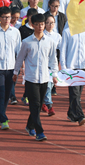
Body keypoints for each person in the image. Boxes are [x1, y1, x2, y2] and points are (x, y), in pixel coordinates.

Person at [13, 13, 58, 141]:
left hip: (44, 78)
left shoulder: (50, 42)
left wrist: (54, 74)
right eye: (37, 24)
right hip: (31, 78)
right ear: (32, 25)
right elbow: (20, 58)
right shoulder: (26, 42)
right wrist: (16, 73)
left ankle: (29, 125)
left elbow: (53, 59)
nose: (40, 27)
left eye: (42, 24)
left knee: (38, 106)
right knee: (35, 104)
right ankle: (39, 131)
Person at [59, 23, 85, 125]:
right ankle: (80, 115)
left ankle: (71, 114)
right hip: (71, 67)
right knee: (75, 93)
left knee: (78, 93)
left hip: (83, 66)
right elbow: (63, 50)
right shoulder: (67, 32)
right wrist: (64, 67)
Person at [42, 14, 61, 113]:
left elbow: (62, 49)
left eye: (52, 23)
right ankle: (49, 105)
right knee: (47, 86)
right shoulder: (42, 35)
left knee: (51, 85)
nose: (50, 25)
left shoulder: (57, 36)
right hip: (43, 64)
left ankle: (43, 102)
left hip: (53, 63)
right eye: (48, 23)